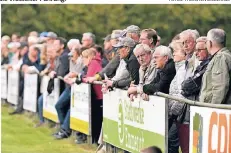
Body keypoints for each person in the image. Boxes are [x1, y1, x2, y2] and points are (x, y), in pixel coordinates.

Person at [53, 44, 84, 139]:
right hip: (70, 87)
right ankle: (64, 129)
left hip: (78, 88)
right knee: (58, 105)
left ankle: (65, 131)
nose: (70, 55)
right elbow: (71, 73)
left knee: (72, 108)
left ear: (78, 53)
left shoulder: (81, 61)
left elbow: (79, 73)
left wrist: (74, 75)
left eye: (73, 53)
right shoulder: (71, 60)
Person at [9, 45, 45, 115]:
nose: (29, 52)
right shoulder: (26, 55)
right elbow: (23, 64)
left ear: (36, 51)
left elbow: (39, 68)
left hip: (37, 80)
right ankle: (20, 108)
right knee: (21, 90)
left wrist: (31, 67)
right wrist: (23, 67)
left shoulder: (40, 58)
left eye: (31, 51)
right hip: (28, 79)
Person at [200, 28, 231, 104]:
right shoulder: (222, 57)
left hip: (215, 111)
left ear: (210, 43)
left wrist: (212, 108)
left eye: (206, 41)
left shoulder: (220, 58)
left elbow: (220, 87)